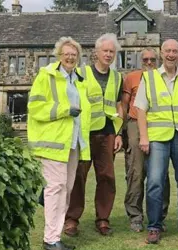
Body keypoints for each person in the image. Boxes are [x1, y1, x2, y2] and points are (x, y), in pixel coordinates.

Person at [28, 37, 91, 250]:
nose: (70, 57)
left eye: (74, 54)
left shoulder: (79, 80)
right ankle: (51, 239)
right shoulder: (46, 76)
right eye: (66, 54)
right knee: (56, 189)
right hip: (52, 142)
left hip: (72, 143)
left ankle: (55, 236)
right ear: (59, 56)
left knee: (66, 190)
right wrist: (65, 109)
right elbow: (35, 107)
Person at [134, 39, 178, 245]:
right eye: (168, 51)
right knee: (154, 182)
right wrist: (143, 137)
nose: (171, 54)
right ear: (161, 53)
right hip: (157, 139)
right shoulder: (149, 77)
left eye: (175, 51)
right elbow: (140, 110)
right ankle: (154, 226)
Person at [64, 33, 124, 237]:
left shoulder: (117, 77)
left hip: (107, 133)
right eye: (105, 51)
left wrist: (118, 133)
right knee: (79, 176)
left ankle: (103, 219)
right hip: (84, 133)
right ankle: (71, 219)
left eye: (112, 51)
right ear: (96, 53)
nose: (108, 54)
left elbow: (118, 106)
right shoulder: (81, 73)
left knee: (107, 177)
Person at [122, 48, 171, 233]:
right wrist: (124, 130)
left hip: (157, 124)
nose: (149, 62)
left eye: (152, 59)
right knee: (135, 171)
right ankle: (135, 216)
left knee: (160, 173)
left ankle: (159, 215)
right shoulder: (132, 77)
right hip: (135, 122)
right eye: (145, 59)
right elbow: (124, 105)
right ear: (140, 61)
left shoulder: (163, 78)